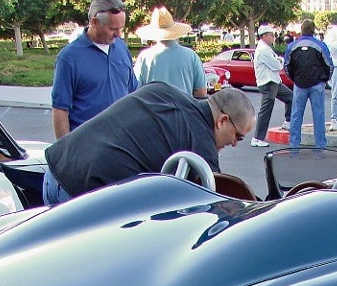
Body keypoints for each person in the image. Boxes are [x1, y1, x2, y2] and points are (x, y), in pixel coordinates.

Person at [42, 83, 254, 203]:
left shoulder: (162, 89)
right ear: (223, 120)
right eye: (238, 136)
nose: (235, 144)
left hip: (55, 168)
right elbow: (217, 201)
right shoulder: (201, 147)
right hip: (79, 194)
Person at [50, 0, 137, 139]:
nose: (119, 35)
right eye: (113, 29)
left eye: (121, 28)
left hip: (123, 143)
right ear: (95, 22)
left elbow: (133, 94)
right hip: (87, 146)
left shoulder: (121, 48)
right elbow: (60, 109)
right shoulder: (69, 58)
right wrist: (65, 152)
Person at [133, 7, 207, 98]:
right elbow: (201, 92)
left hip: (153, 111)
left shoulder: (144, 57)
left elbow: (135, 90)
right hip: (184, 110)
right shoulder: (191, 56)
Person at [283, 19, 331, 150]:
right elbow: (329, 65)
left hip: (299, 84)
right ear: (313, 29)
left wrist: (295, 79)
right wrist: (324, 80)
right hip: (317, 84)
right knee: (319, 116)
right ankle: (320, 146)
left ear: (302, 29)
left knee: (296, 116)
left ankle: (294, 146)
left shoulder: (292, 46)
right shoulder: (320, 45)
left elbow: (287, 66)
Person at [250, 24, 292, 148]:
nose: (273, 37)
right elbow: (277, 65)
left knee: (291, 97)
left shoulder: (267, 48)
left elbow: (277, 61)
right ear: (264, 36)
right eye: (271, 35)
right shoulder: (263, 50)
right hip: (268, 83)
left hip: (274, 81)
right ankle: (257, 138)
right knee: (265, 111)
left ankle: (288, 122)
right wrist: (279, 61)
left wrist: (279, 61)